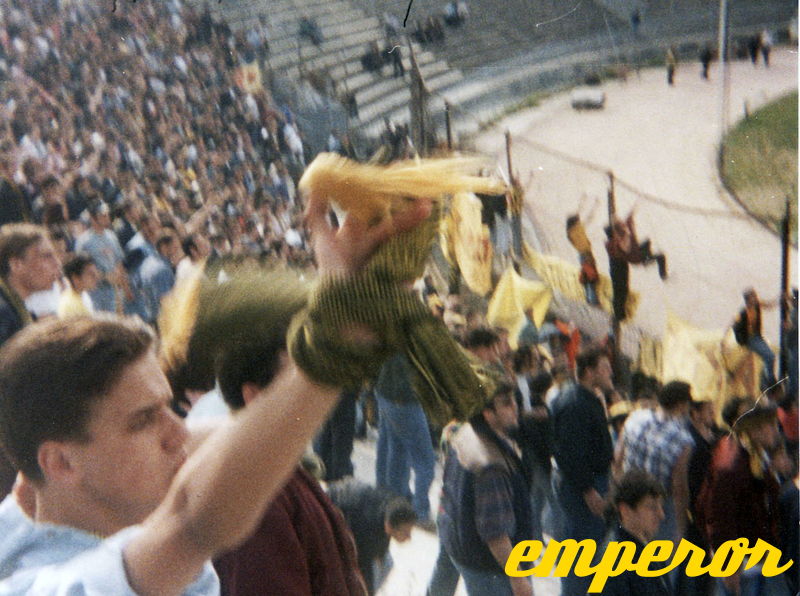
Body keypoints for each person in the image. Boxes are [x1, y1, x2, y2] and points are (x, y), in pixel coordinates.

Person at [0, 187, 433, 594]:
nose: (177, 432)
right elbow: (193, 521)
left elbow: (211, 434)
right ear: (60, 463)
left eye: (166, 408)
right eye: (143, 421)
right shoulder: (52, 584)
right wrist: (344, 331)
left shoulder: (35, 505)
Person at [438, 377, 533, 596]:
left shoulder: (465, 432)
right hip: (492, 569)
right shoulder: (490, 466)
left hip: (466, 553)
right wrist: (518, 578)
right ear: (488, 413)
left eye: (514, 401)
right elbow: (495, 532)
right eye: (506, 403)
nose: (515, 407)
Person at [698, 401, 791, 596]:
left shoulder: (752, 454)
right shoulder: (732, 465)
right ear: (755, 431)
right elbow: (720, 517)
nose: (776, 431)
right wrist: (729, 566)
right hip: (743, 565)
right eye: (771, 426)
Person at [551, 346, 614, 596]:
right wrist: (589, 491)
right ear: (589, 372)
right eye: (605, 368)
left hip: (588, 483)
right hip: (582, 488)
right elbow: (571, 453)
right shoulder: (576, 404)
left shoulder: (585, 397)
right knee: (581, 552)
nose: (611, 372)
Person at [617, 380, 694, 543]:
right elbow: (679, 487)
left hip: (628, 500)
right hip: (659, 507)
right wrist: (680, 528)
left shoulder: (635, 417)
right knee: (661, 563)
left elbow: (618, 458)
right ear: (681, 405)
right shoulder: (682, 439)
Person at [326, 478, 417, 594]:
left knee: (386, 563)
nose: (409, 537)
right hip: (334, 510)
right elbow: (362, 568)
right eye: (405, 532)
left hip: (354, 500)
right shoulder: (367, 531)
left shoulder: (391, 506)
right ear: (388, 526)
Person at [601, 470, 671, 596]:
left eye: (661, 506)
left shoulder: (648, 546)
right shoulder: (613, 564)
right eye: (652, 507)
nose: (661, 515)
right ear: (625, 510)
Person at [732, 288, 778, 391]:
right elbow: (734, 323)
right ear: (748, 300)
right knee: (770, 356)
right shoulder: (744, 312)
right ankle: (770, 380)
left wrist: (778, 299)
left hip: (757, 337)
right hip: (750, 339)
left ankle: (765, 380)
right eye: (753, 297)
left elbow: (769, 305)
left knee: (769, 357)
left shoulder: (757, 306)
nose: (755, 299)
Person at [58, 252, 100, 319]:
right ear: (75, 278)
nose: (96, 277)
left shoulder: (84, 295)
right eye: (91, 274)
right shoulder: (70, 305)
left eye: (96, 272)